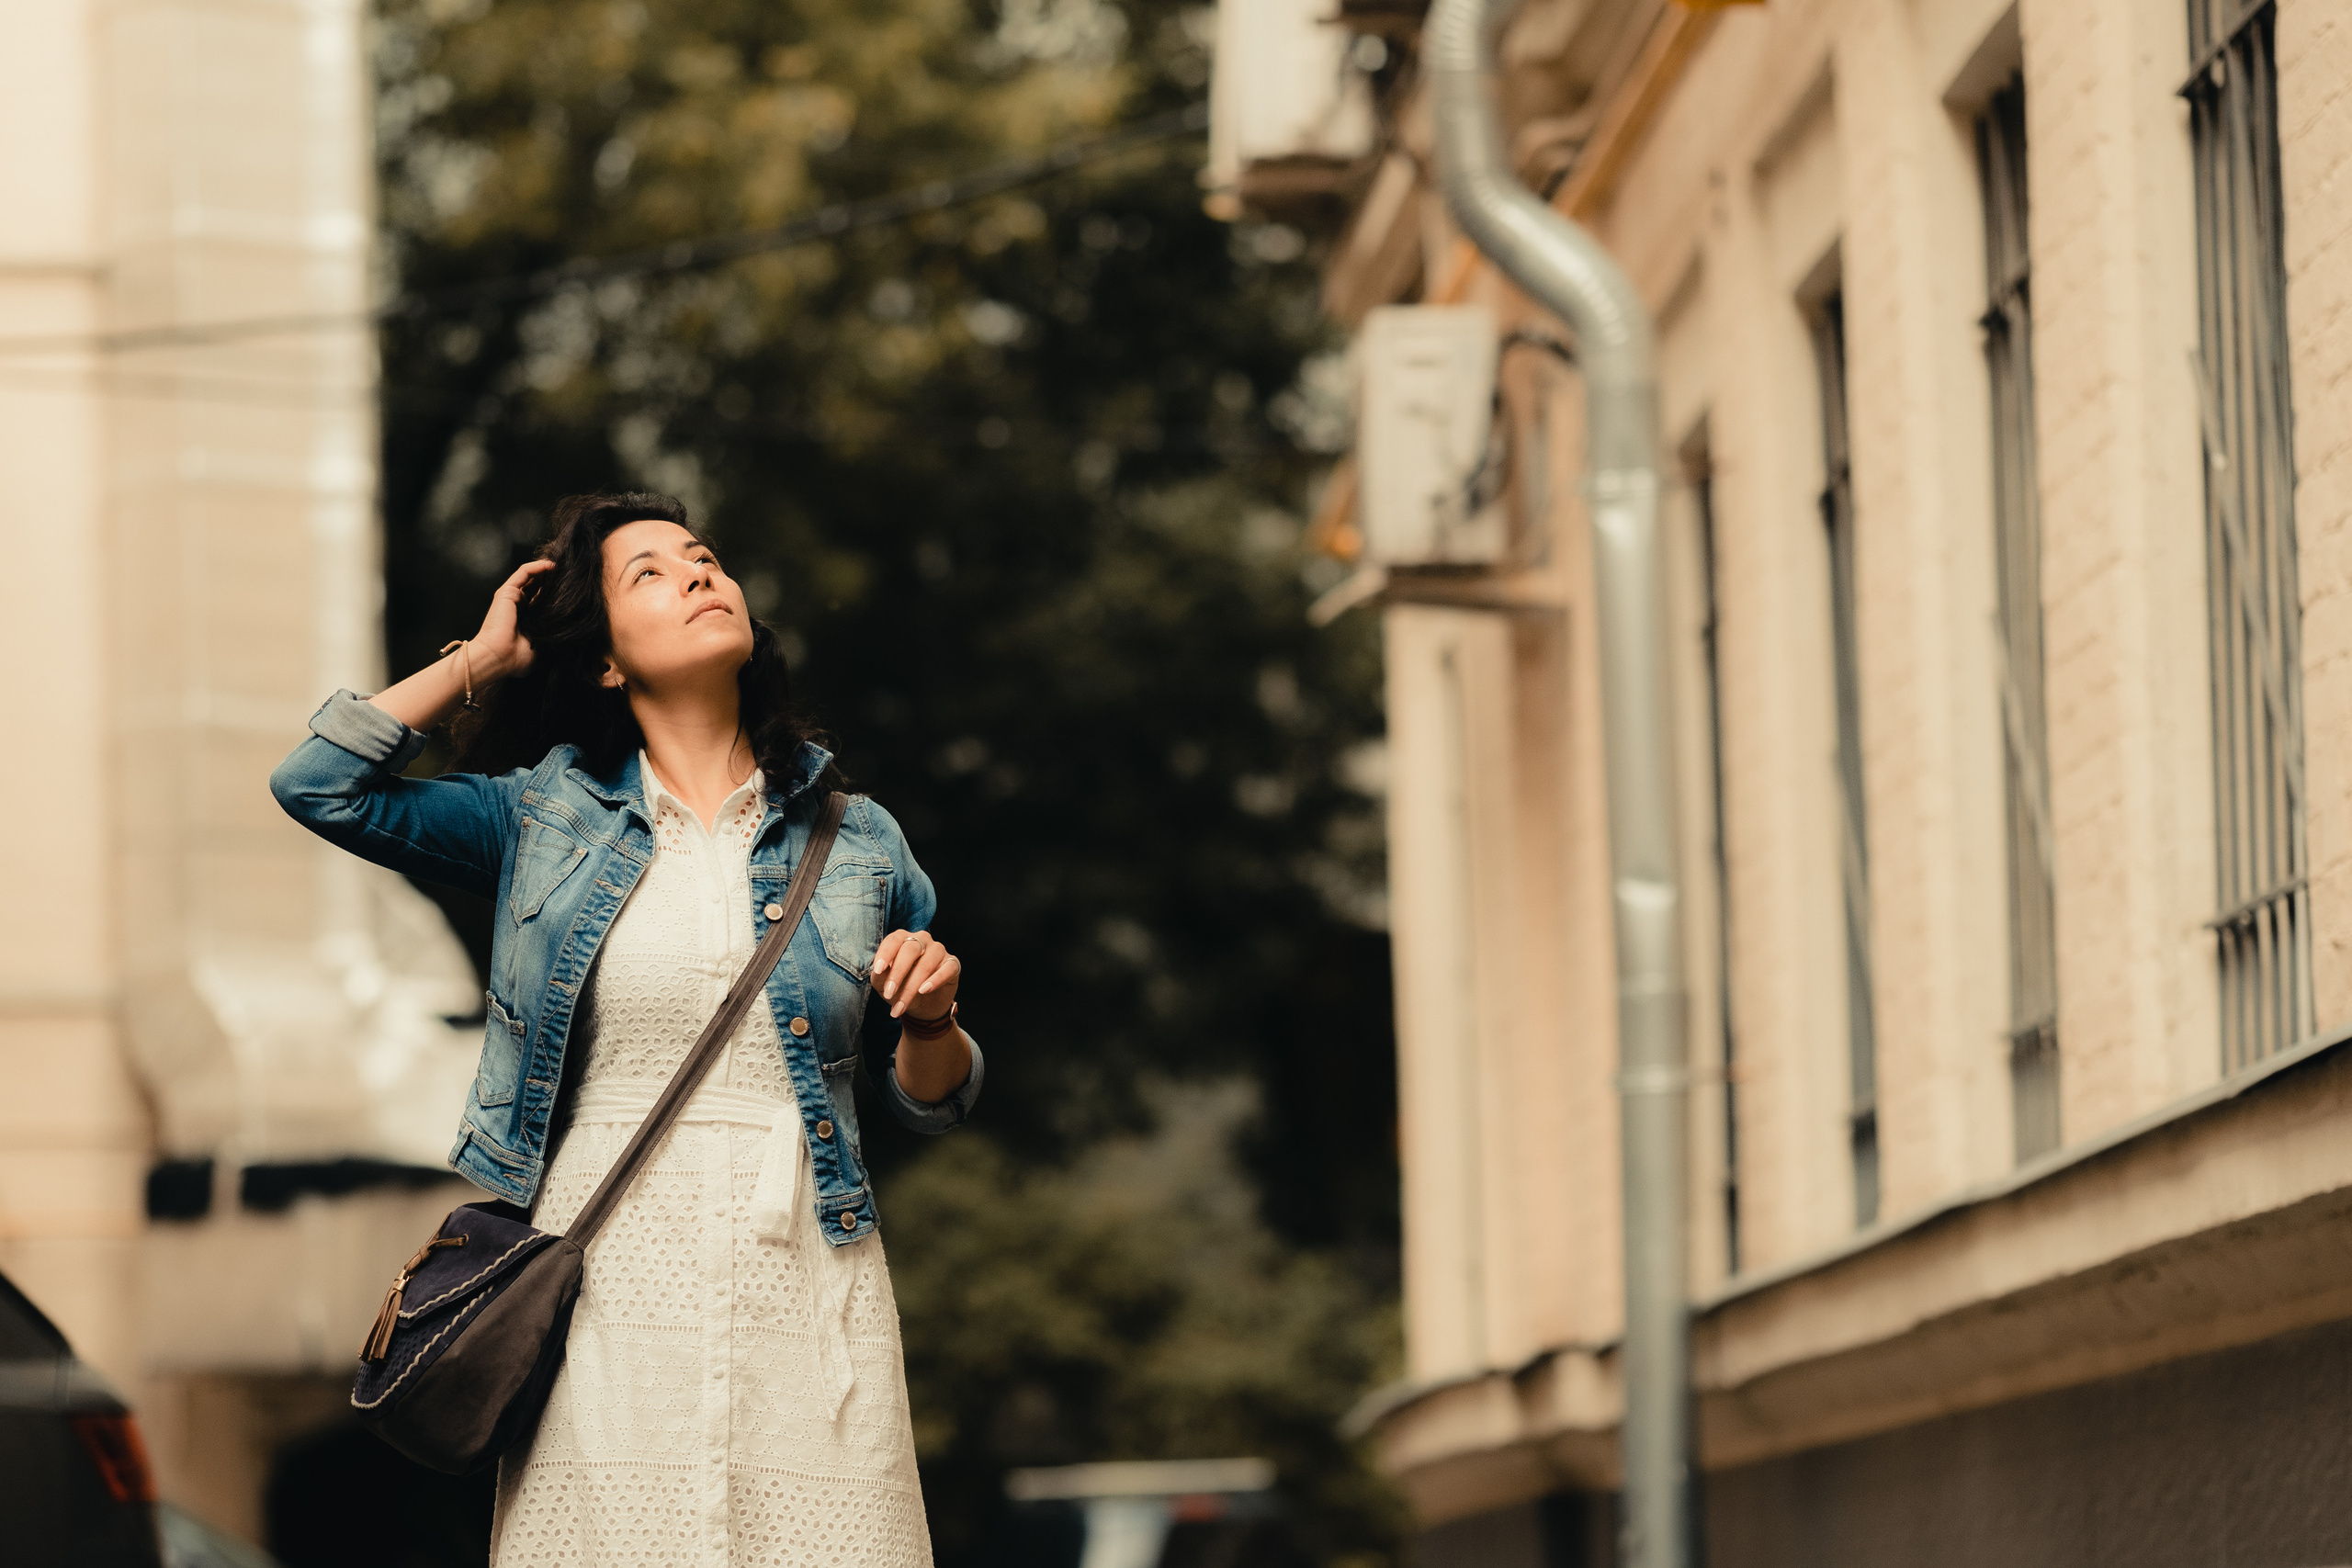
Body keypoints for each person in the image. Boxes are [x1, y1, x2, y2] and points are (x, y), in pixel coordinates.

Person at [269, 491, 980, 1566]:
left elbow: (934, 1096)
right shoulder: (537, 818)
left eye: (702, 559)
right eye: (648, 572)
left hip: (806, 1269)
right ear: (604, 660)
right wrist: (481, 659)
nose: (697, 574)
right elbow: (318, 785)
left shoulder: (860, 839)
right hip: (606, 1277)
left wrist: (934, 1018)